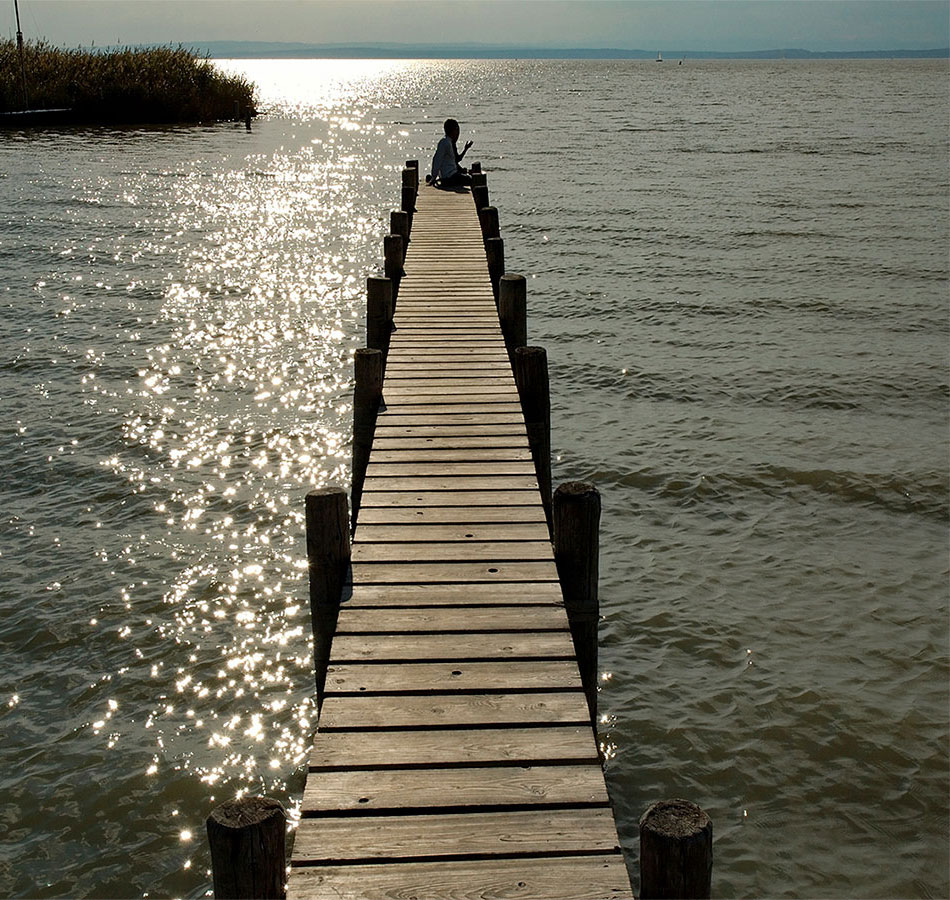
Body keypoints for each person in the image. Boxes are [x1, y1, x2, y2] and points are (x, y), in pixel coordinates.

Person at [428, 118, 473, 188]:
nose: (458, 133)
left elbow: (455, 161)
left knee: (469, 178)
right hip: (449, 177)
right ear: (453, 131)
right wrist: (433, 177)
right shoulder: (444, 142)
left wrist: (465, 149)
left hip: (450, 175)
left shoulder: (450, 142)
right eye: (457, 130)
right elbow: (437, 160)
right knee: (471, 180)